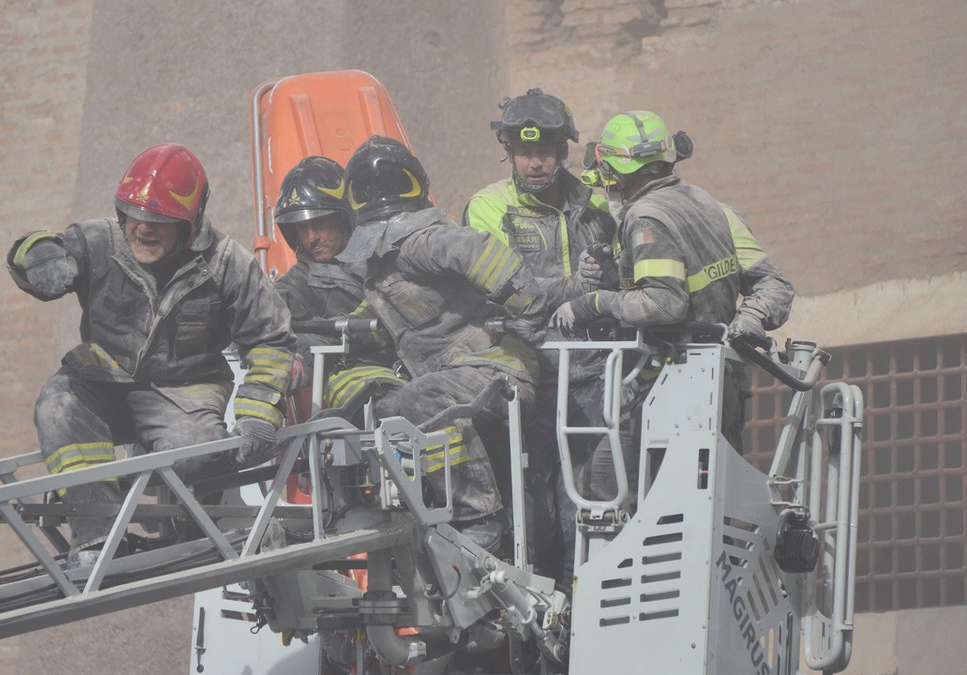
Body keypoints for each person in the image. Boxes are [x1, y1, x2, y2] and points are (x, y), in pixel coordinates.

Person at [7, 143, 296, 566]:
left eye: (159, 220)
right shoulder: (97, 241)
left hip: (185, 390)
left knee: (201, 452)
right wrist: (37, 258)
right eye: (134, 215)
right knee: (58, 405)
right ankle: (96, 538)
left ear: (190, 224)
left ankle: (193, 526)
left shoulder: (226, 264)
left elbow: (271, 339)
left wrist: (258, 415)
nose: (142, 229)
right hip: (103, 381)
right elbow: (35, 248)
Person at [553, 111, 793, 500]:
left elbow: (663, 304)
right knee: (700, 499)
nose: (605, 185)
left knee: (613, 490)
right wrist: (607, 271)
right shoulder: (709, 205)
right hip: (713, 385)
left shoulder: (650, 217)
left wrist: (593, 301)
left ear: (619, 170)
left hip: (672, 385)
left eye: (607, 173)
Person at [337, 135, 553, 553]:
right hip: (459, 376)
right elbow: (395, 310)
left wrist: (527, 303)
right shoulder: (385, 260)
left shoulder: (421, 240)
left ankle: (479, 516)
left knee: (420, 401)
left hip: (497, 369)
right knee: (386, 409)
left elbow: (480, 250)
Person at [463, 88, 618, 587]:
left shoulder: (596, 206)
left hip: (593, 373)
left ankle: (584, 596)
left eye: (545, 152)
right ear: (509, 152)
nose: (535, 163)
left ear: (563, 152)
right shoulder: (488, 207)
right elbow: (502, 292)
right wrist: (572, 287)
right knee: (529, 495)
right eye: (524, 153)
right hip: (524, 372)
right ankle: (537, 600)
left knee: (593, 493)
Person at [271, 156, 404, 415]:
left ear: (344, 217)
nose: (312, 237)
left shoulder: (385, 256)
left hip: (417, 362)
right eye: (302, 227)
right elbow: (265, 319)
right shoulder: (297, 285)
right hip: (358, 376)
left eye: (320, 222)